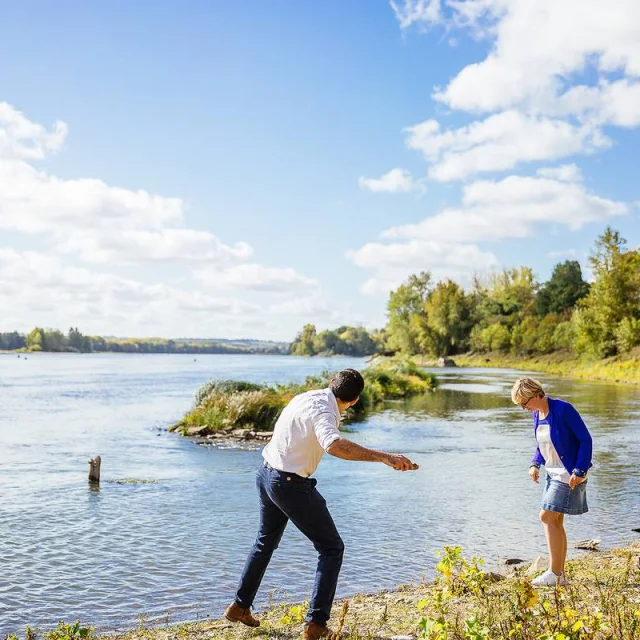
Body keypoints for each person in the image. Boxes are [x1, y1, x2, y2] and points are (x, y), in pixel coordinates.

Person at [224, 368, 418, 640]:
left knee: (264, 542)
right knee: (331, 548)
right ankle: (315, 624)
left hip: (266, 474)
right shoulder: (326, 413)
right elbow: (334, 445)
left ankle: (239, 606)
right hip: (289, 484)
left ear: (331, 383)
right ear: (355, 400)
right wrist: (384, 457)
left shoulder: (305, 397)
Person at [511, 377, 592, 587]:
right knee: (555, 521)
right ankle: (559, 575)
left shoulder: (564, 410)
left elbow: (585, 439)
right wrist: (534, 464)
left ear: (535, 395)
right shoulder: (537, 414)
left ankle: (554, 573)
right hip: (551, 472)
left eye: (524, 403)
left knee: (546, 516)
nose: (524, 408)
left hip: (569, 473)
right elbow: (542, 445)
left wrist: (580, 469)